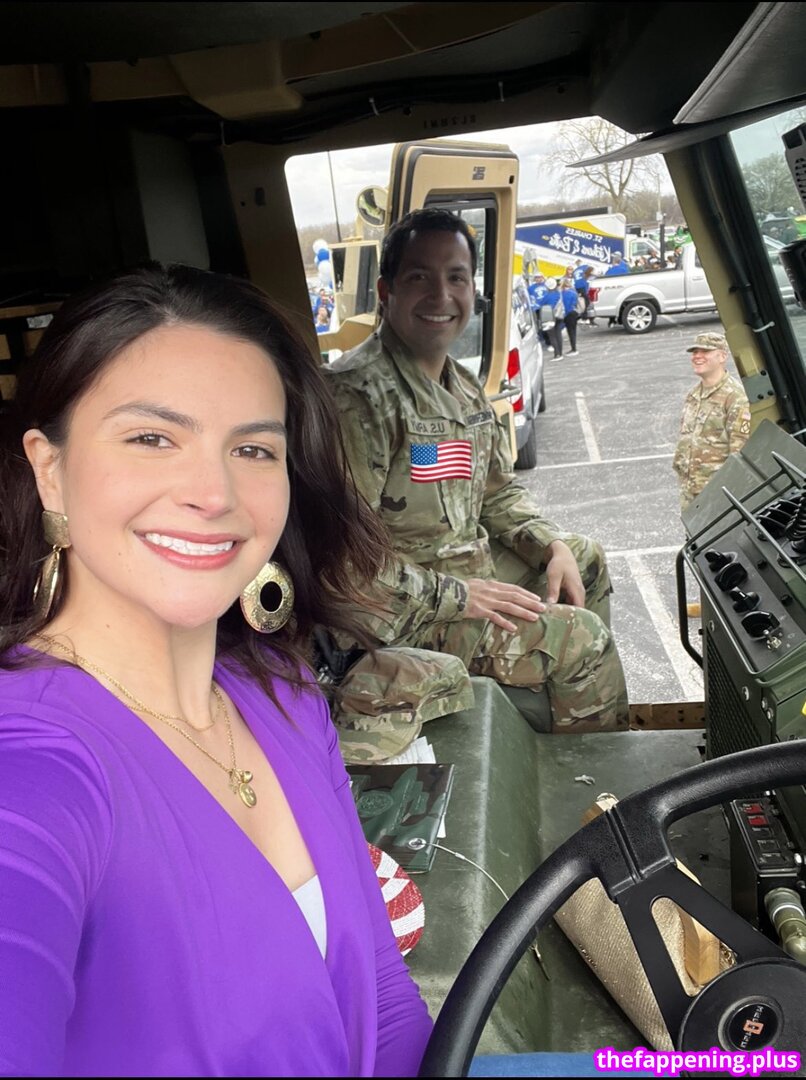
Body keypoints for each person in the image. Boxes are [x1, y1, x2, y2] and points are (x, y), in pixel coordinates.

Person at [0, 264, 432, 1077]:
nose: (214, 492)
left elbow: (381, 995)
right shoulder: (30, 761)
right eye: (151, 438)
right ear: (49, 469)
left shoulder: (284, 696)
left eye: (253, 448)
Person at [325, 208, 629, 743]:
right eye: (419, 277)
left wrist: (551, 544)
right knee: (581, 641)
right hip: (394, 615)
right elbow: (345, 566)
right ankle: (587, 769)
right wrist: (460, 596)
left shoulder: (461, 387)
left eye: (457, 277)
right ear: (386, 292)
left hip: (460, 577)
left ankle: (564, 712)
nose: (441, 295)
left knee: (583, 559)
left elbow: (495, 493)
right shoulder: (357, 397)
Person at [672, 331, 752, 511]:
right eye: (695, 352)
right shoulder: (693, 395)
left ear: (722, 356)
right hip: (689, 492)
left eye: (705, 351)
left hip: (717, 495)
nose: (697, 356)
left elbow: (740, 453)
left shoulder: (736, 398)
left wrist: (729, 495)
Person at [558, 277, 581, 357]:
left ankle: (573, 349)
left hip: (568, 314)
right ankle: (574, 348)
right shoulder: (573, 292)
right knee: (573, 331)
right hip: (574, 313)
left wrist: (564, 315)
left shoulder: (562, 294)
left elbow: (566, 306)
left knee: (570, 332)